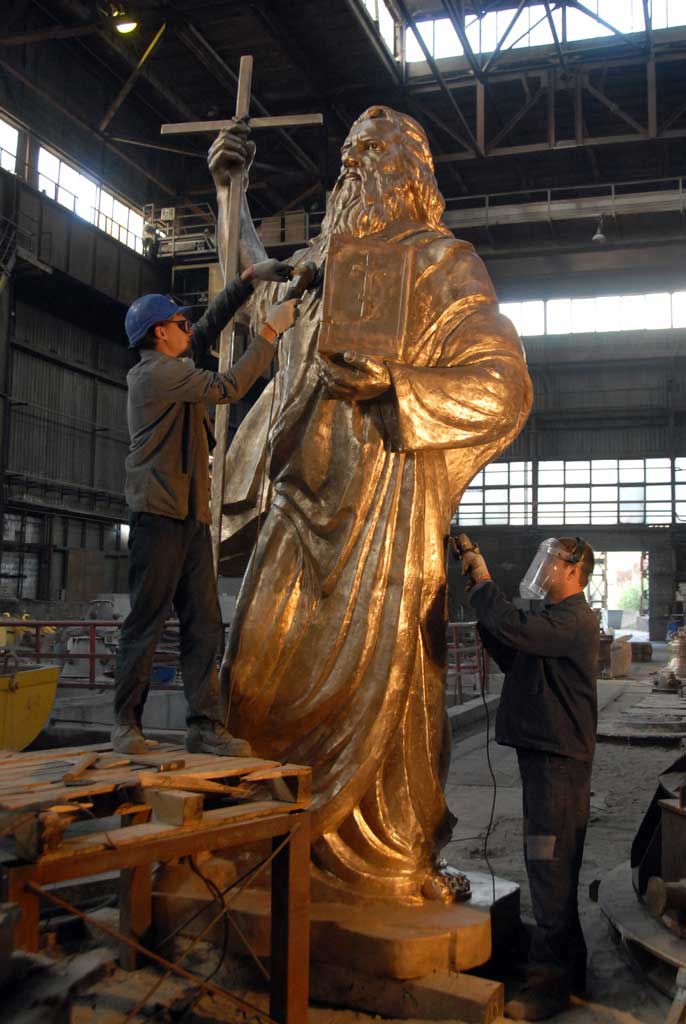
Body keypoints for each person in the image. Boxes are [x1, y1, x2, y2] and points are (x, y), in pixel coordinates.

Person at [207, 107, 533, 903]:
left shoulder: (442, 264)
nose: (355, 168)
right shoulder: (319, 266)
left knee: (385, 699)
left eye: (374, 154)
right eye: (349, 156)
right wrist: (230, 191)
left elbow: (504, 385)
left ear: (410, 173)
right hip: (297, 507)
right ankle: (257, 844)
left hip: (384, 518)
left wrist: (397, 384)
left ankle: (383, 865)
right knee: (249, 682)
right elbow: (254, 285)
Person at [111, 259, 299, 756]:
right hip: (158, 518)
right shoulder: (155, 375)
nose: (187, 328)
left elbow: (210, 325)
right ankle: (126, 725)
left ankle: (205, 726)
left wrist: (247, 280)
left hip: (190, 517)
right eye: (179, 323)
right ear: (159, 333)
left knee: (205, 624)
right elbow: (229, 388)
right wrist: (270, 333)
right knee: (146, 622)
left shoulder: (171, 362)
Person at [458, 533, 599, 1021]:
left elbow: (516, 628)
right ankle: (570, 968)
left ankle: (552, 981)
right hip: (546, 762)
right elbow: (515, 653)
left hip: (558, 768)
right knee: (548, 864)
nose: (544, 567)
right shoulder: (551, 622)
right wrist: (488, 619)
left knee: (548, 864)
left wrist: (483, 582)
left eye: (551, 561)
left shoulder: (573, 620)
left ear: (573, 570)